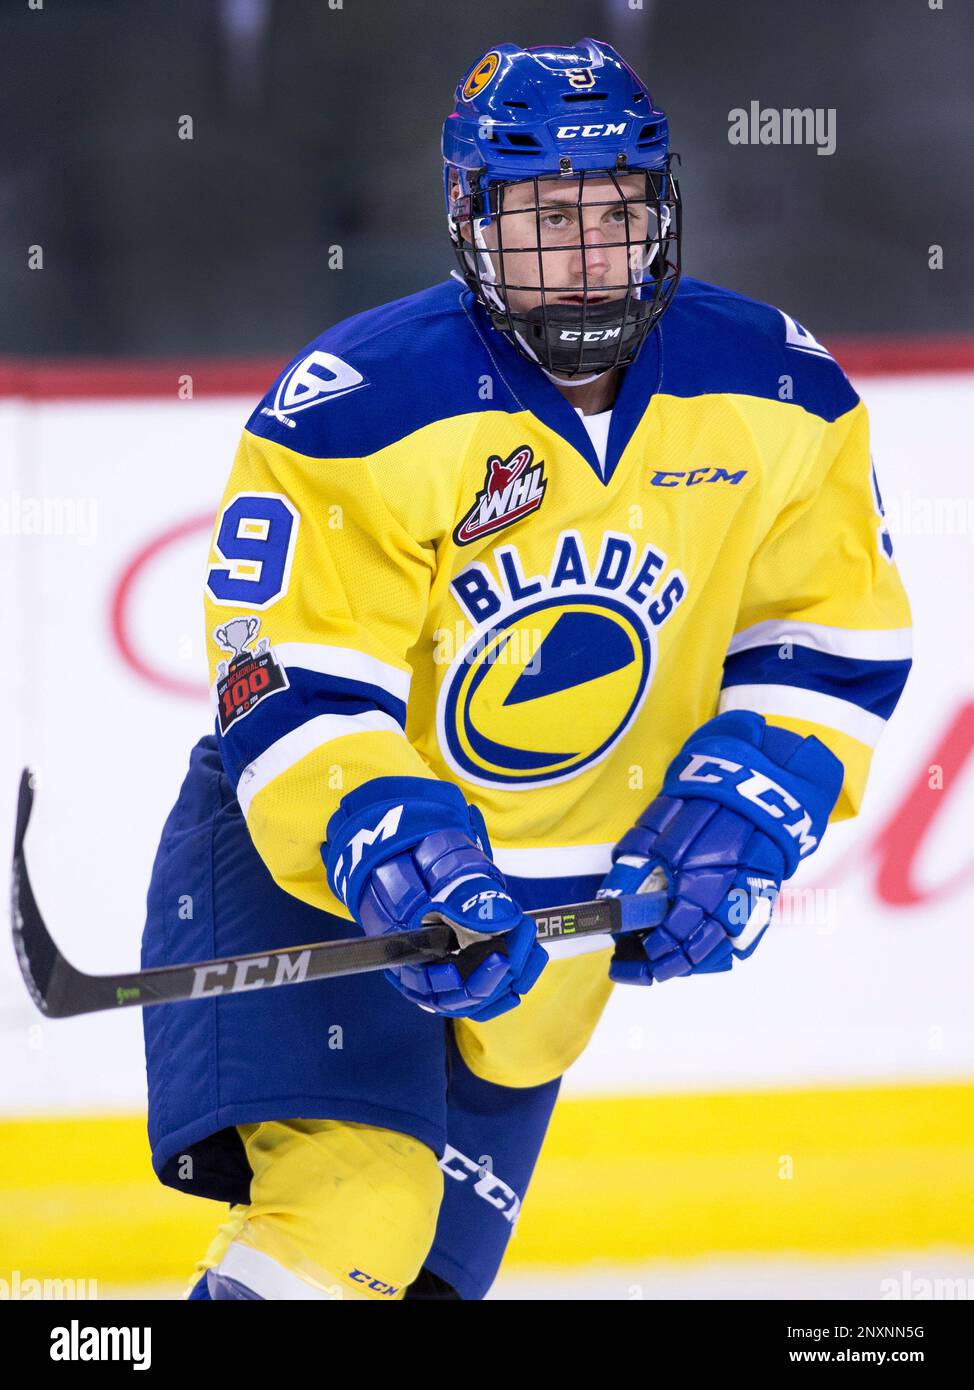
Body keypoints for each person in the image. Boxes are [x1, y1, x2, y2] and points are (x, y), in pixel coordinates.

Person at [141, 38, 912, 1301]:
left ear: (661, 211)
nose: (587, 256)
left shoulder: (782, 387)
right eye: (546, 216)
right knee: (355, 1212)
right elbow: (284, 670)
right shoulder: (359, 402)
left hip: (559, 914)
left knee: (436, 1283)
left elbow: (829, 636)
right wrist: (390, 842)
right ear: (469, 221)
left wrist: (742, 808)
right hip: (315, 871)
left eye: (613, 213)